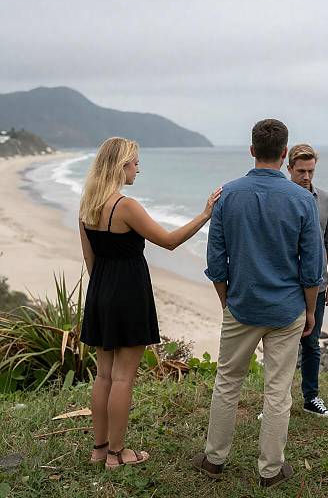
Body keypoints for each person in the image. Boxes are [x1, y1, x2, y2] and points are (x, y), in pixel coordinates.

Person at [191, 119, 323, 488]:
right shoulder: (302, 199)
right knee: (277, 389)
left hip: (242, 304)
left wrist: (226, 301)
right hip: (286, 309)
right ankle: (270, 469)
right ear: (284, 155)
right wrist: (310, 311)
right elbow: (312, 268)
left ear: (251, 150)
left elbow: (216, 259)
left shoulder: (227, 195)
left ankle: (214, 458)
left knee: (227, 382)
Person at [79, 137, 221, 470]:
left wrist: (104, 290)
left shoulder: (87, 204)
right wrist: (205, 214)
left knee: (104, 376)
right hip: (128, 293)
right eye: (135, 163)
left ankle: (99, 450)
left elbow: (90, 258)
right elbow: (169, 242)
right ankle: (117, 454)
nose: (138, 169)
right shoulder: (125, 206)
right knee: (123, 378)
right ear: (121, 166)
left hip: (100, 291)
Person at [287, 144, 328, 417]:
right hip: (285, 284)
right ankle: (276, 401)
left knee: (311, 343)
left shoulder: (326, 200)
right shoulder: (282, 198)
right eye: (301, 171)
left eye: (310, 171)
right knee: (280, 344)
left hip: (317, 285)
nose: (306, 177)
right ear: (289, 169)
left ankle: (311, 398)